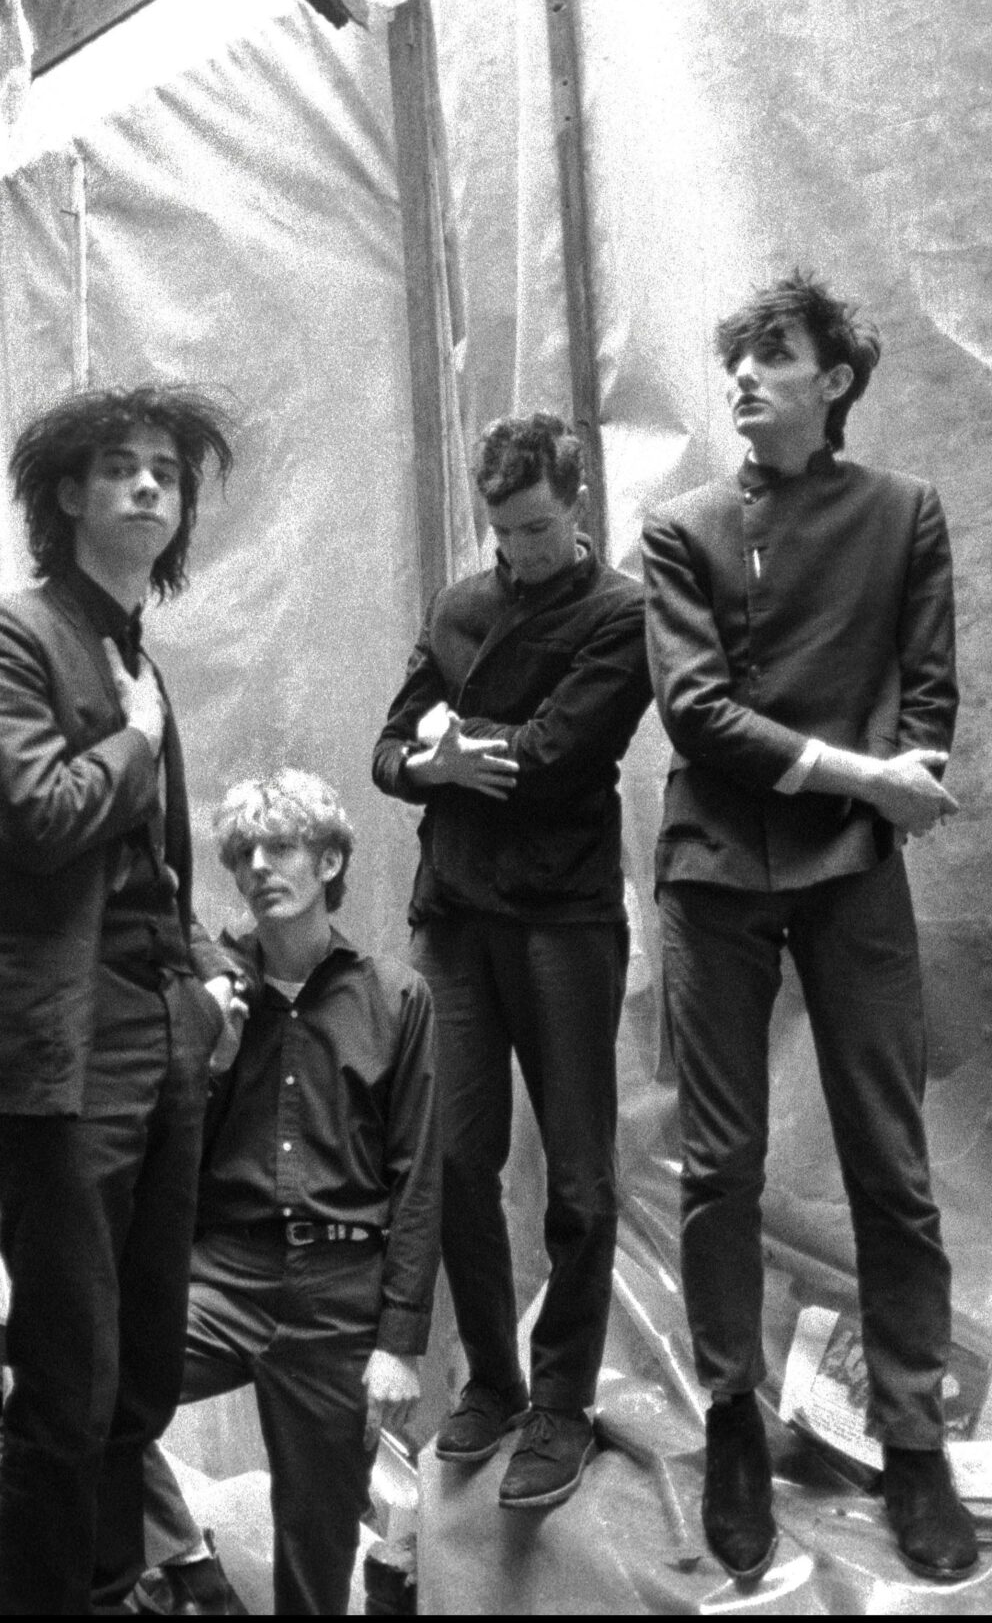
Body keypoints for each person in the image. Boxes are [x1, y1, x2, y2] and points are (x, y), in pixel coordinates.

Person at [642, 270, 975, 1581]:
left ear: (834, 380)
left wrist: (901, 783)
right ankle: (732, 1421)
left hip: (852, 874)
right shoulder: (682, 530)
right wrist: (863, 777)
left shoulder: (904, 517)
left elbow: (932, 702)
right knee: (720, 1170)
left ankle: (914, 1444)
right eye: (735, 359)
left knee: (892, 1171)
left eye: (774, 357)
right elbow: (697, 715)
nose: (744, 378)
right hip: (716, 871)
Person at [0, 384, 246, 1614]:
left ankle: (111, 1589)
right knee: (70, 1374)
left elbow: (152, 875)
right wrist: (133, 739)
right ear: (67, 494)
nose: (149, 487)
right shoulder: (4, 639)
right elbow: (36, 815)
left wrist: (212, 974)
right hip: (60, 1050)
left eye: (166, 470)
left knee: (142, 1371)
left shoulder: (133, 658)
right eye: (119, 467)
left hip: (156, 1035)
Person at [371, 413, 652, 1510]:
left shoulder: (620, 611)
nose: (520, 549)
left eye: (536, 527)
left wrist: (457, 753)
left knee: (579, 1176)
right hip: (453, 913)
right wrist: (436, 761)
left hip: (563, 918)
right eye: (503, 529)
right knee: (452, 1162)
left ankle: (564, 1402)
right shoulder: (459, 605)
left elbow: (558, 754)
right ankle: (489, 1379)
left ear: (575, 506)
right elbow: (390, 751)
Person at [132, 770, 441, 1618]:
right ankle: (193, 1571)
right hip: (223, 1273)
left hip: (337, 1298)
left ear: (331, 860)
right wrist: (211, 1053)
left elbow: (419, 1175)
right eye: (243, 853)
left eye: (284, 847)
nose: (260, 866)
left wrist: (400, 1343)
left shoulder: (393, 996)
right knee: (81, 1387)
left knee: (316, 1559)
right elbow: (163, 1145)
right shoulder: (213, 988)